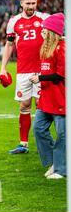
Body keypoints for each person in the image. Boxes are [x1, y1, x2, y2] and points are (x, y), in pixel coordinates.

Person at [0, 0, 49, 154]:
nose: (31, 6)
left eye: (33, 3)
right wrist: (3, 68)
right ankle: (23, 144)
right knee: (24, 105)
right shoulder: (14, 22)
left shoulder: (44, 19)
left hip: (42, 70)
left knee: (42, 105)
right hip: (23, 71)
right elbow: (10, 44)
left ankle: (46, 143)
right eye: (28, 3)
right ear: (21, 3)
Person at [30, 13, 66, 179]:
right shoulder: (46, 48)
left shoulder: (62, 47)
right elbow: (46, 70)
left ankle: (62, 169)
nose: (42, 32)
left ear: (52, 32)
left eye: (45, 30)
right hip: (46, 98)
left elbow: (60, 75)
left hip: (61, 99)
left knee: (63, 135)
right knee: (38, 128)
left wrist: (40, 78)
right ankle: (55, 162)